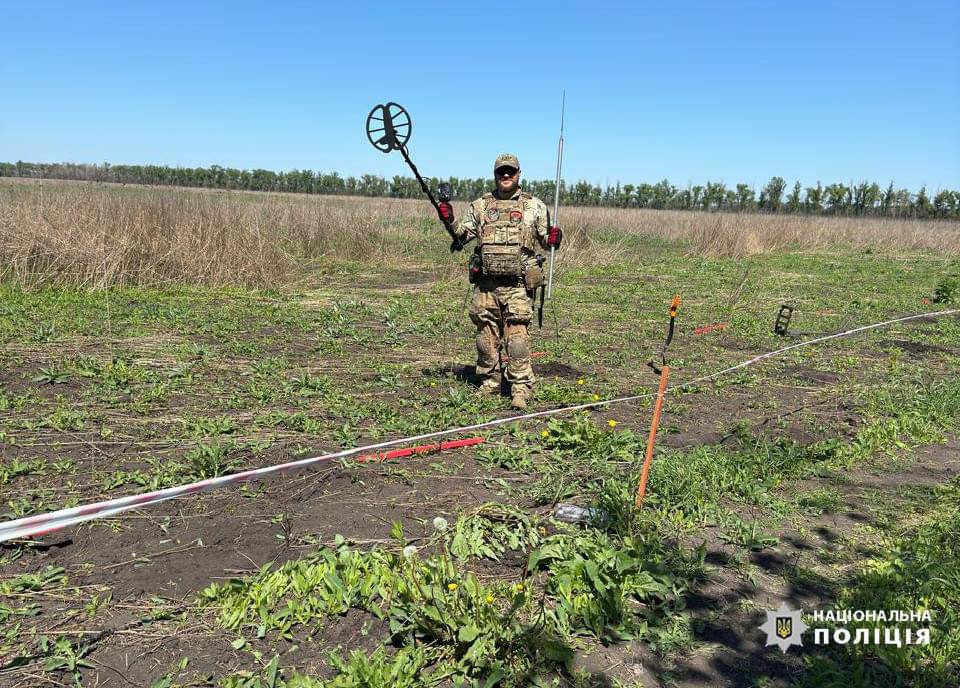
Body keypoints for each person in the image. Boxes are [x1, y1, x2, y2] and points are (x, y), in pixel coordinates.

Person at [438, 153, 562, 409]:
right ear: (495, 175)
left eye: (511, 172)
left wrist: (555, 238)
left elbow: (546, 240)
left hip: (517, 285)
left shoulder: (534, 206)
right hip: (487, 285)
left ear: (519, 174)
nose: (506, 176)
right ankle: (490, 383)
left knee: (516, 340)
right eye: (501, 172)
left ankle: (520, 388)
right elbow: (461, 237)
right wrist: (448, 218)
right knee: (485, 339)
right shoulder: (481, 206)